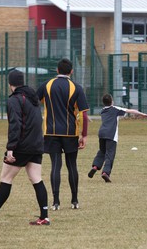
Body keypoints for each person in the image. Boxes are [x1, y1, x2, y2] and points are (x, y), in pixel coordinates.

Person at [0, 70, 49, 225]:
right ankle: (44, 217)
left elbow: (15, 125)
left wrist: (11, 149)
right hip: (37, 145)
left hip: (22, 146)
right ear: (22, 82)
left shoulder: (15, 100)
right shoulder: (33, 98)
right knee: (36, 178)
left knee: (6, 178)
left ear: (10, 84)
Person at [36, 58, 89, 211]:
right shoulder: (76, 87)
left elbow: (34, 101)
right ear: (71, 71)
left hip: (51, 132)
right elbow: (84, 115)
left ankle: (56, 202)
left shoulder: (47, 85)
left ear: (57, 70)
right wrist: (83, 135)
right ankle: (74, 200)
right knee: (72, 165)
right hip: (70, 133)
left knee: (56, 166)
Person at [88, 93, 147, 182]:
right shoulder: (115, 109)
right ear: (112, 101)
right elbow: (130, 111)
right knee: (110, 154)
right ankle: (105, 173)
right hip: (111, 134)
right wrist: (142, 114)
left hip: (101, 133)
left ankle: (95, 166)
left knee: (102, 151)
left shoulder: (102, 110)